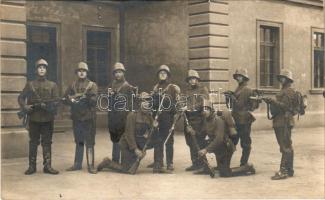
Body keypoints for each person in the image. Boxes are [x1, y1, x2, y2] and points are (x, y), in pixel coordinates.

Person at [18, 58, 59, 175]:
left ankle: (47, 166)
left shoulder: (52, 85)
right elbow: (20, 97)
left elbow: (56, 102)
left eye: (44, 68)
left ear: (46, 70)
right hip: (34, 117)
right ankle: (32, 166)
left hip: (47, 118)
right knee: (33, 142)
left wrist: (50, 107)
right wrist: (25, 107)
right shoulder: (30, 84)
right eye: (39, 68)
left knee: (47, 142)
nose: (41, 70)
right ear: (36, 70)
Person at [97, 92, 154, 174]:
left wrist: (144, 149)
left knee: (131, 169)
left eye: (148, 103)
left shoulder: (150, 117)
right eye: (144, 102)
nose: (146, 104)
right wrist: (135, 149)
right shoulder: (132, 115)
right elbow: (129, 134)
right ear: (139, 103)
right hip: (127, 145)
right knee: (126, 169)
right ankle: (107, 162)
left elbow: (149, 134)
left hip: (138, 146)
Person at [198, 100, 255, 177]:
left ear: (211, 110)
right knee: (221, 167)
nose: (205, 112)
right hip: (218, 148)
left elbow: (219, 139)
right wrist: (192, 131)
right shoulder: (206, 120)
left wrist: (206, 149)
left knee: (225, 173)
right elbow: (202, 134)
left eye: (207, 109)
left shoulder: (218, 120)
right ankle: (217, 167)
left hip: (225, 147)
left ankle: (246, 168)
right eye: (203, 110)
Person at [63, 62, 98, 174]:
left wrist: (86, 98)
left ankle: (91, 165)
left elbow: (94, 101)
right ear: (77, 73)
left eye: (84, 71)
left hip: (88, 117)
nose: (82, 72)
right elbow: (65, 98)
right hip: (77, 117)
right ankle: (77, 164)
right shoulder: (72, 85)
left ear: (87, 72)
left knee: (90, 142)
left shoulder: (92, 85)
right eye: (80, 71)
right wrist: (72, 100)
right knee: (79, 141)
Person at [263, 69, 296, 180]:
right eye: (281, 77)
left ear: (288, 79)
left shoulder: (289, 91)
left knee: (284, 146)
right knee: (287, 145)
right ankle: (289, 169)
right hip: (281, 121)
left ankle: (283, 171)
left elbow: (285, 107)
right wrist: (270, 102)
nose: (281, 79)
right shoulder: (284, 90)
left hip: (284, 121)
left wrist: (272, 101)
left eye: (283, 78)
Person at [149, 65, 180, 173]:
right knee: (158, 139)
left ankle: (170, 163)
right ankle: (158, 162)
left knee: (169, 140)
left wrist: (174, 115)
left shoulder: (172, 88)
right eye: (160, 73)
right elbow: (152, 103)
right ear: (158, 75)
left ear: (168, 75)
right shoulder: (155, 87)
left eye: (164, 73)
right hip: (157, 117)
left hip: (168, 117)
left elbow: (176, 103)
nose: (162, 74)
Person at [107, 62, 137, 163]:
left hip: (123, 117)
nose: (118, 74)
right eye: (116, 72)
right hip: (113, 117)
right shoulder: (111, 85)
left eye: (120, 72)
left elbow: (131, 102)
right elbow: (108, 101)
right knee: (114, 139)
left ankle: (125, 161)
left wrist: (129, 115)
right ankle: (115, 160)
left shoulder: (127, 86)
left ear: (123, 73)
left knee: (124, 140)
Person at [231, 69, 259, 166]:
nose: (238, 78)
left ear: (244, 78)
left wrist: (232, 98)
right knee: (232, 141)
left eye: (240, 76)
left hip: (244, 120)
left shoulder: (247, 90)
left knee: (245, 142)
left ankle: (244, 163)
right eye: (237, 76)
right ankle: (225, 162)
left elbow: (245, 105)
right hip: (235, 119)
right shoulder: (237, 88)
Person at [183, 69, 209, 171]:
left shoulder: (203, 90)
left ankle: (203, 163)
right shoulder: (187, 91)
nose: (192, 81)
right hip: (188, 119)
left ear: (197, 79)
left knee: (199, 141)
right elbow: (184, 102)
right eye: (190, 79)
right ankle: (195, 163)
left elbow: (203, 103)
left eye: (193, 79)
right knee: (190, 142)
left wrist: (189, 107)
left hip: (199, 120)